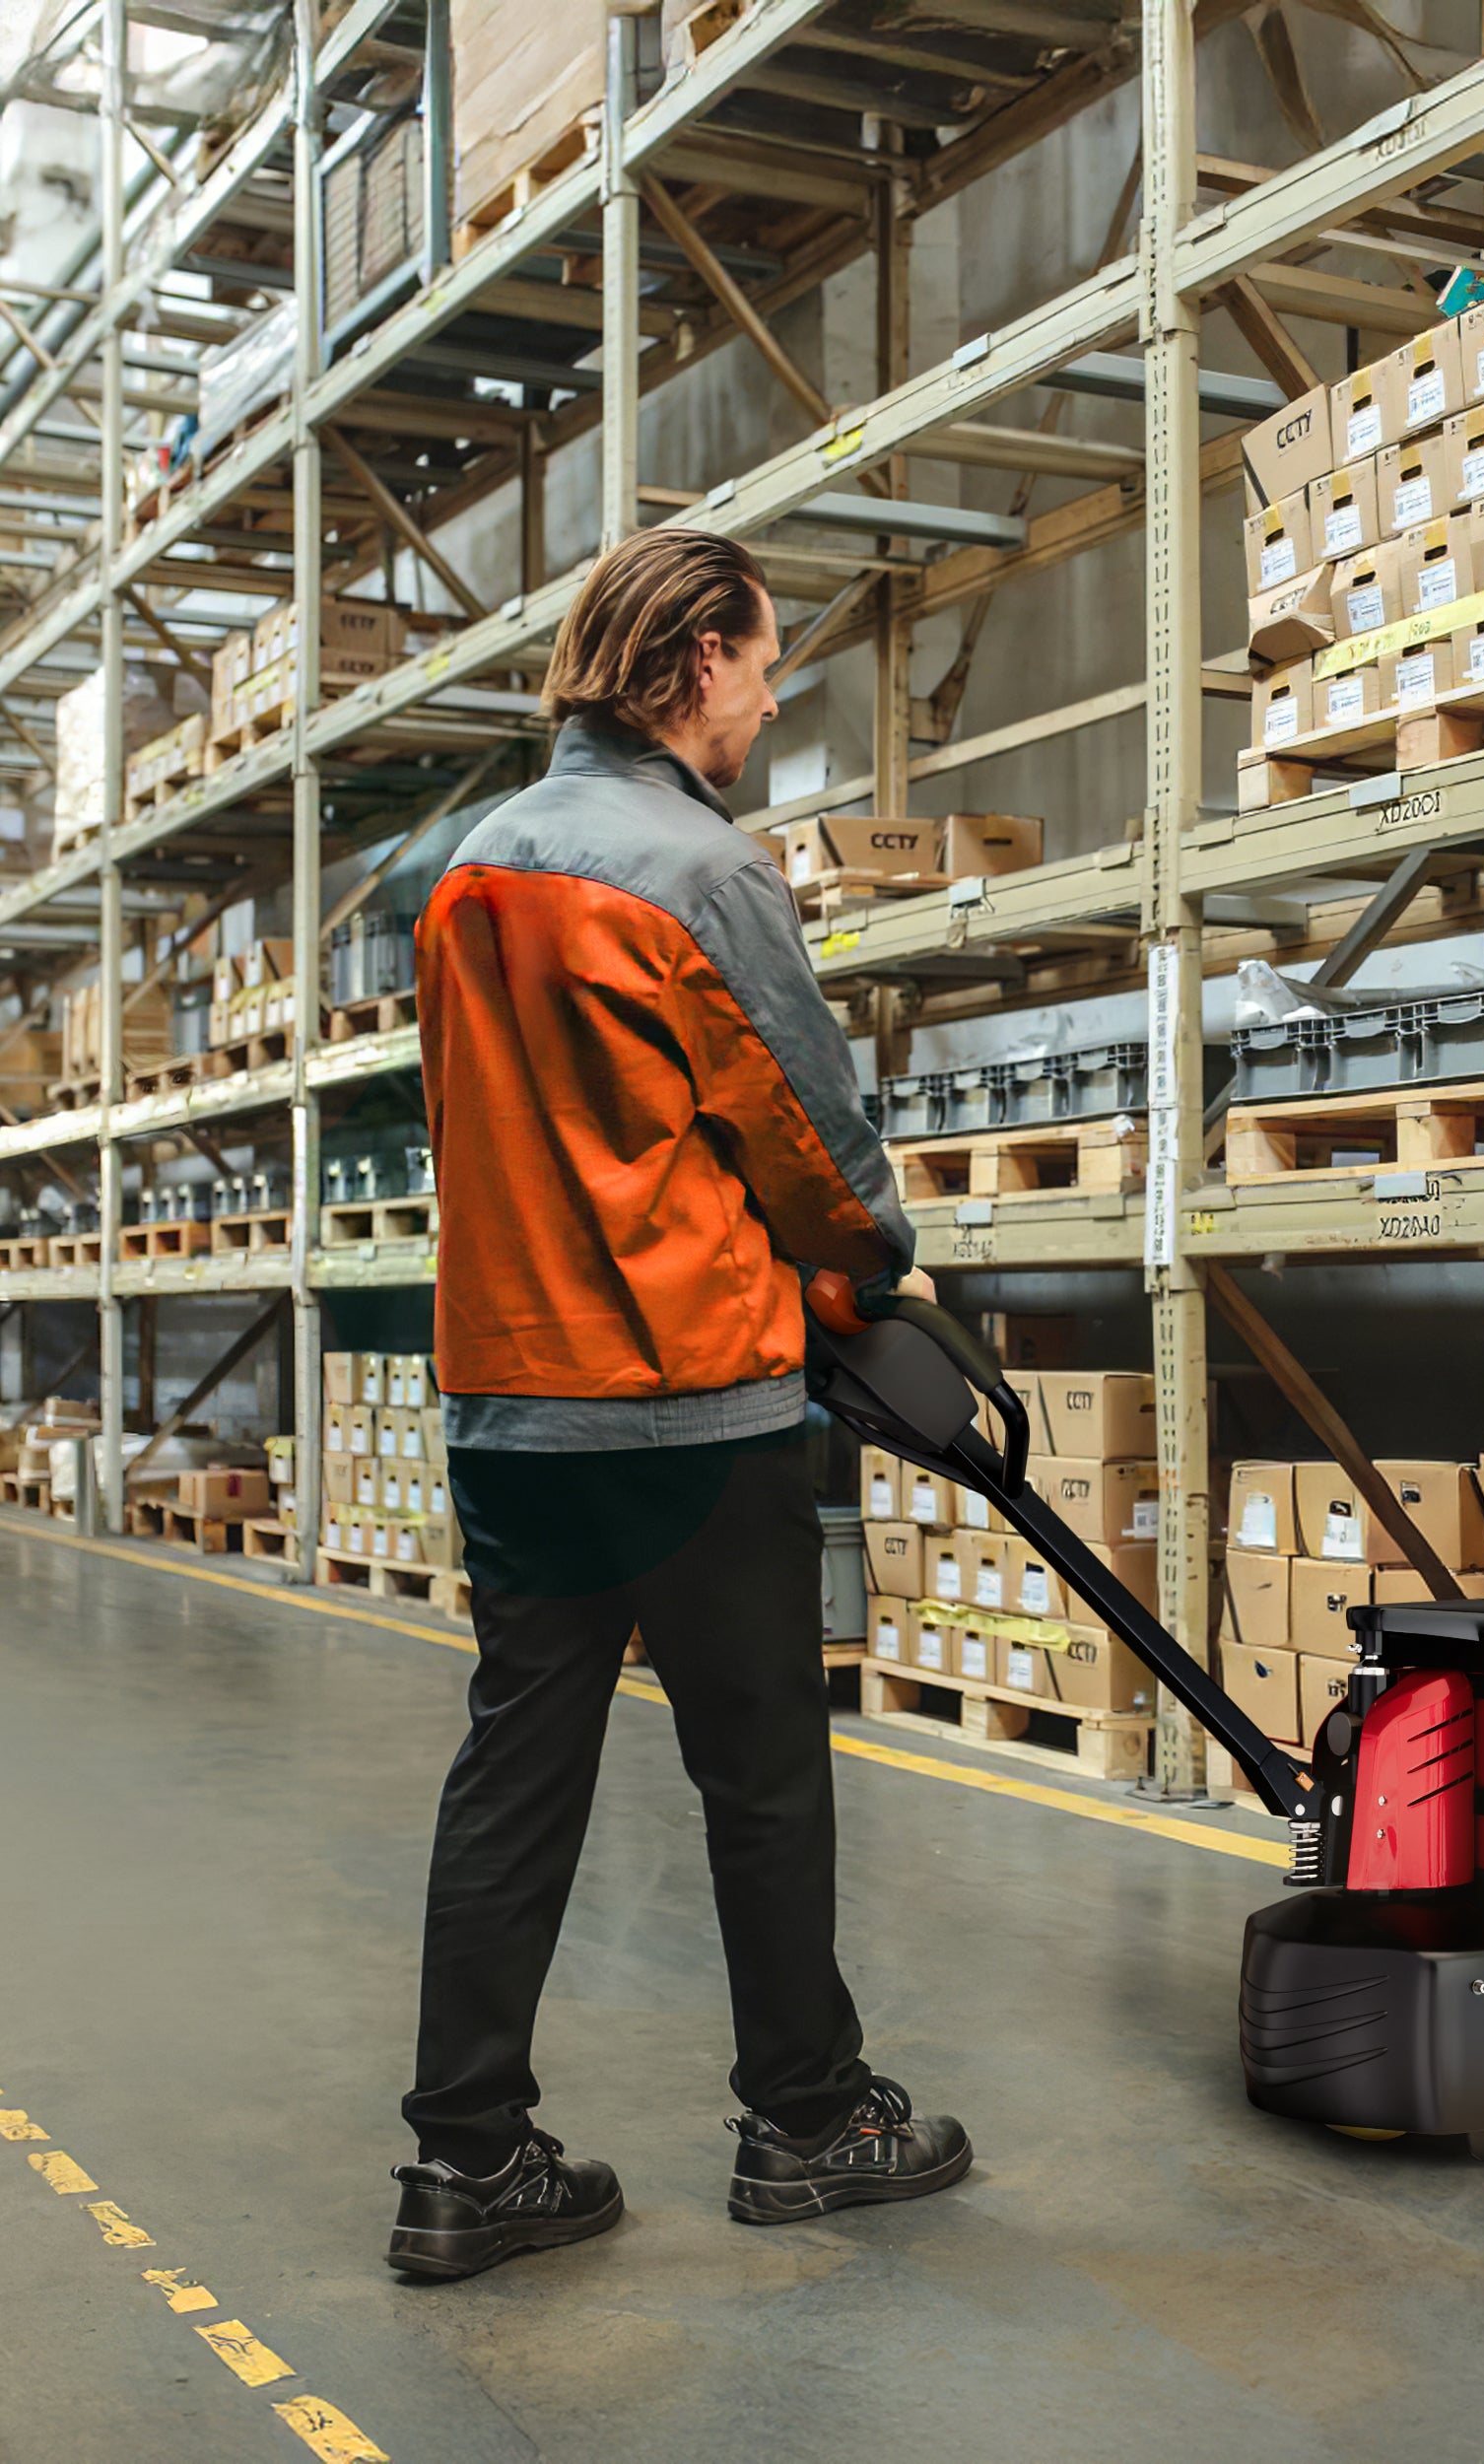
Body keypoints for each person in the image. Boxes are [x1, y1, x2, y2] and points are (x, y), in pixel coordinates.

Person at [387, 528, 970, 2282]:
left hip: (510, 1397)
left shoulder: (469, 868)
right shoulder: (696, 868)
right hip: (688, 1403)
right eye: (766, 657)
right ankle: (809, 2120)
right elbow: (799, 1123)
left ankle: (464, 2165)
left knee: (515, 1774)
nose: (773, 692)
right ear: (697, 656)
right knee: (764, 1776)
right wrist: (875, 1265)